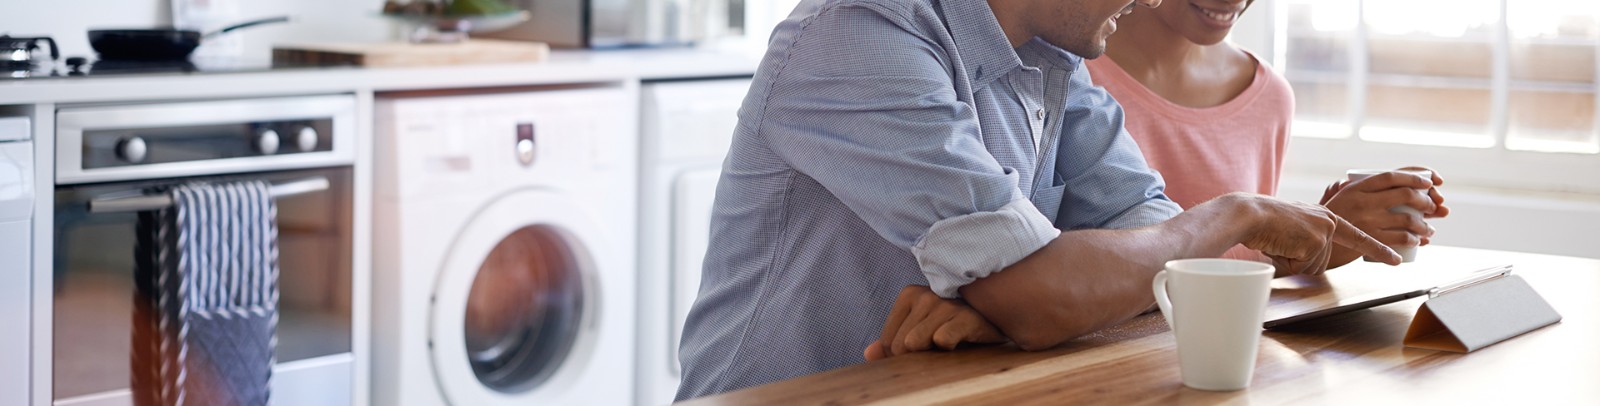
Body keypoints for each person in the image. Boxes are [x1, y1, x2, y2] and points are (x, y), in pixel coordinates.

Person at [675, 0, 1409, 400]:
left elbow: (1156, 255)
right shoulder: (858, 36)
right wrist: (1233, 214)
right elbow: (1084, 280)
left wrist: (996, 306)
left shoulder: (1055, 61)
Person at [1085, 0, 1449, 266]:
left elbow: (1242, 272)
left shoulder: (1268, 95)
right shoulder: (1067, 76)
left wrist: (1316, 236)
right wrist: (1299, 244)